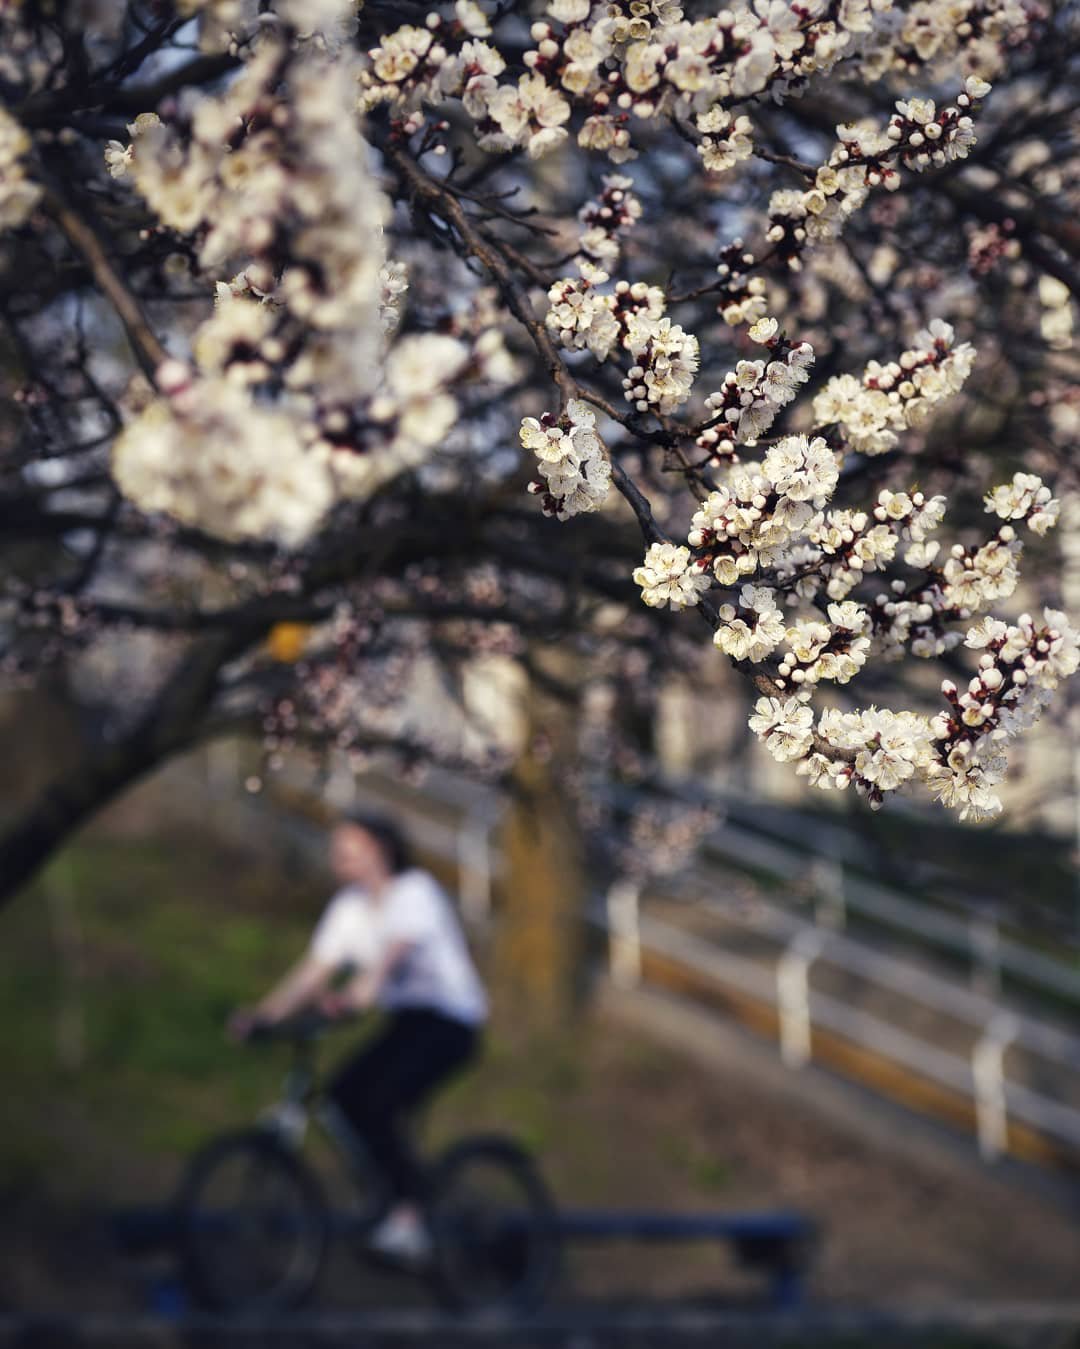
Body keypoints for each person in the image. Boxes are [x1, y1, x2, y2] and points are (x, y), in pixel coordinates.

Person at [229, 809, 487, 1263]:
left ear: (381, 851)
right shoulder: (348, 908)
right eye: (337, 848)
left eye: (351, 847)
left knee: (380, 1102)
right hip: (406, 1020)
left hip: (450, 1022)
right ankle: (387, 1197)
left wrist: (355, 995)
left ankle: (411, 1215)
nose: (339, 856)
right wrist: (265, 1015)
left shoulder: (415, 893)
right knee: (342, 1098)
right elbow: (312, 972)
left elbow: (389, 957)